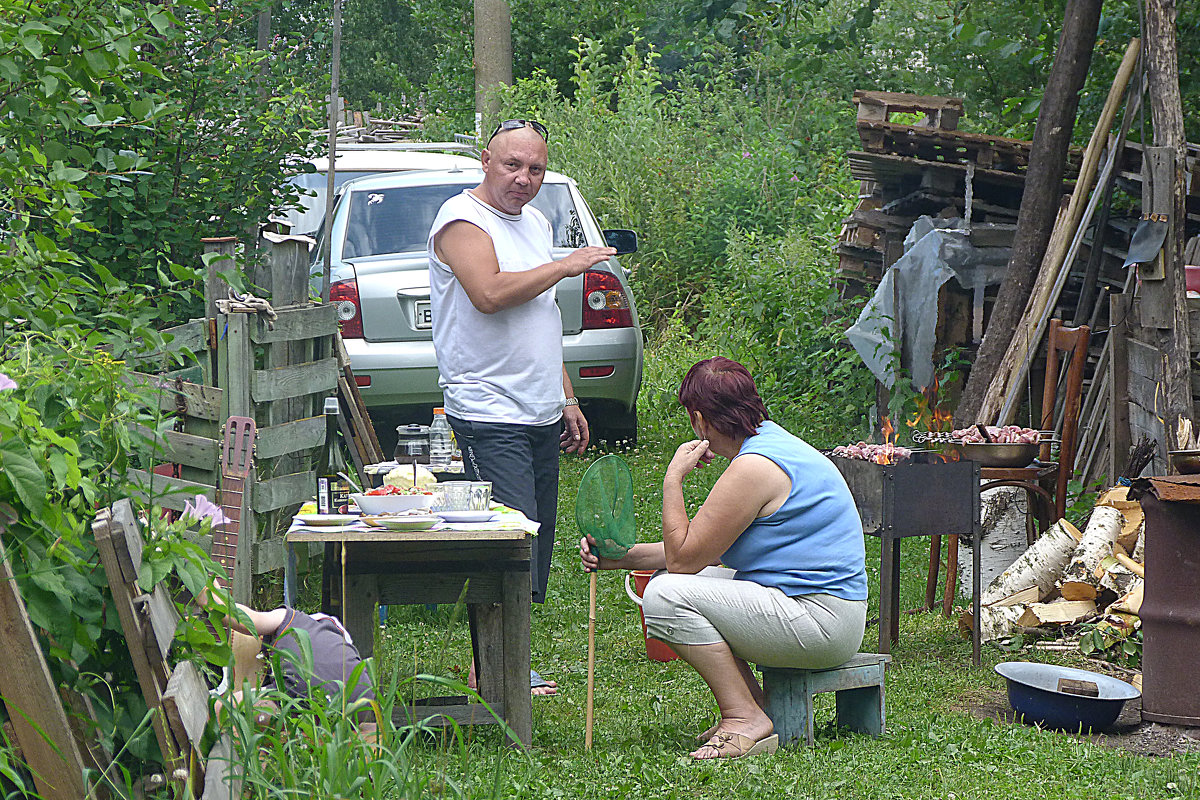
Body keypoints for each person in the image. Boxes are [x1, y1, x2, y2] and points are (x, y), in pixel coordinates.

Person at [579, 357, 867, 759]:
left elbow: (683, 562)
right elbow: (699, 553)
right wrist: (616, 558)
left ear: (699, 420)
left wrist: (673, 479)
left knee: (664, 595)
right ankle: (754, 706)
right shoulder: (767, 448)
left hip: (821, 621)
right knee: (681, 585)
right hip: (825, 612)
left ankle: (744, 717)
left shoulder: (755, 467)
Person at [428, 119, 616, 695]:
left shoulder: (534, 221)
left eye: (536, 168)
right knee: (503, 545)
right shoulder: (461, 221)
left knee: (532, 543)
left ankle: (505, 658)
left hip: (538, 408)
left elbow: (540, 318)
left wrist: (565, 394)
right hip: (487, 410)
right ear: (485, 161)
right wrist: (566, 264)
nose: (524, 179)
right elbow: (488, 295)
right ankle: (495, 666)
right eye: (513, 165)